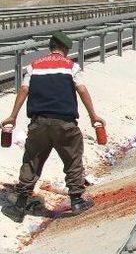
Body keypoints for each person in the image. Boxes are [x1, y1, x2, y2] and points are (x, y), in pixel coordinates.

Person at [1, 31, 105, 223]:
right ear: (65, 49)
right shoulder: (71, 66)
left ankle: (19, 206)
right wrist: (93, 116)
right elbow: (81, 89)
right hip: (65, 124)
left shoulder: (34, 66)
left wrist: (13, 116)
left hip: (38, 123)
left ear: (50, 47)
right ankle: (76, 201)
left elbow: (24, 89)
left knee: (31, 161)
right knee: (73, 159)